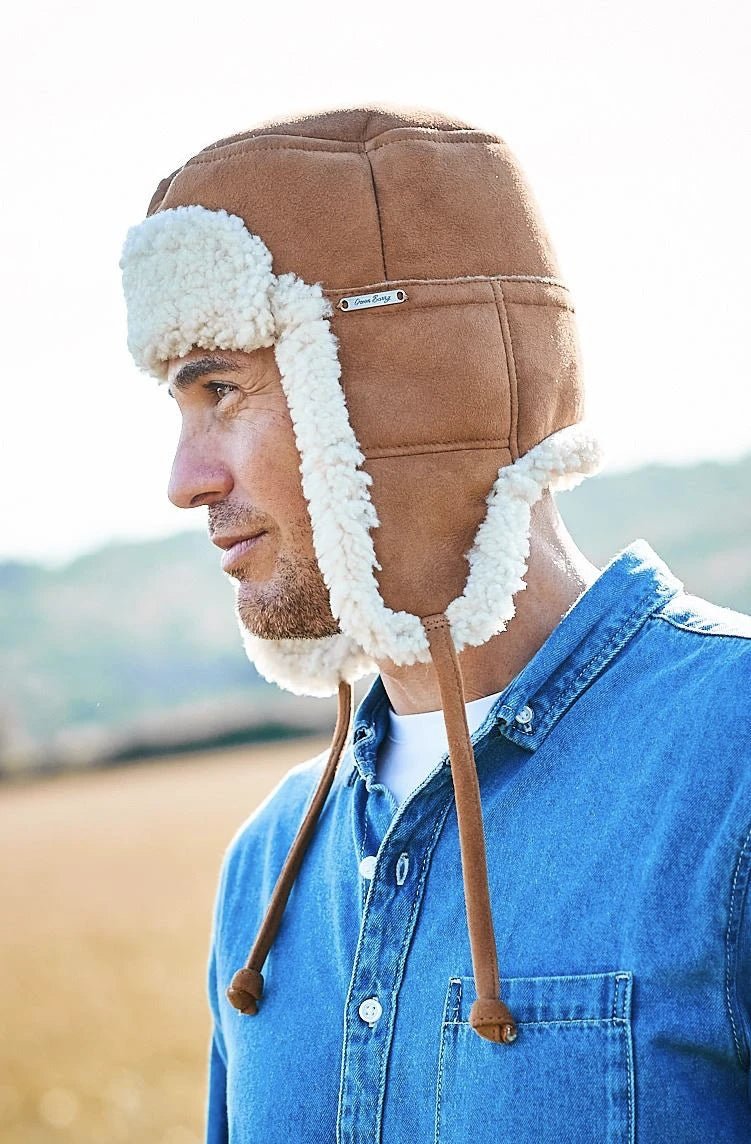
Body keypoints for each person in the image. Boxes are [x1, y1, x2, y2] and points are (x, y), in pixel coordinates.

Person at [119, 104, 751, 1143]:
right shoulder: (270, 858)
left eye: (220, 389)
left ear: (398, 393)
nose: (185, 481)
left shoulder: (730, 759)